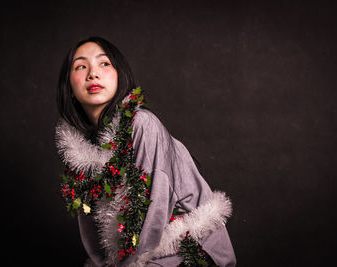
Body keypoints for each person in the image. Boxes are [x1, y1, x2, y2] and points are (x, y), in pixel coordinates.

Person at [55, 36, 236, 267]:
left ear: (120, 75)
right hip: (139, 255)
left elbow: (151, 209)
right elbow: (92, 226)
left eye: (104, 63)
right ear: (69, 86)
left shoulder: (141, 124)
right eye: (81, 66)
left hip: (188, 249)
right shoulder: (77, 148)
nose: (93, 74)